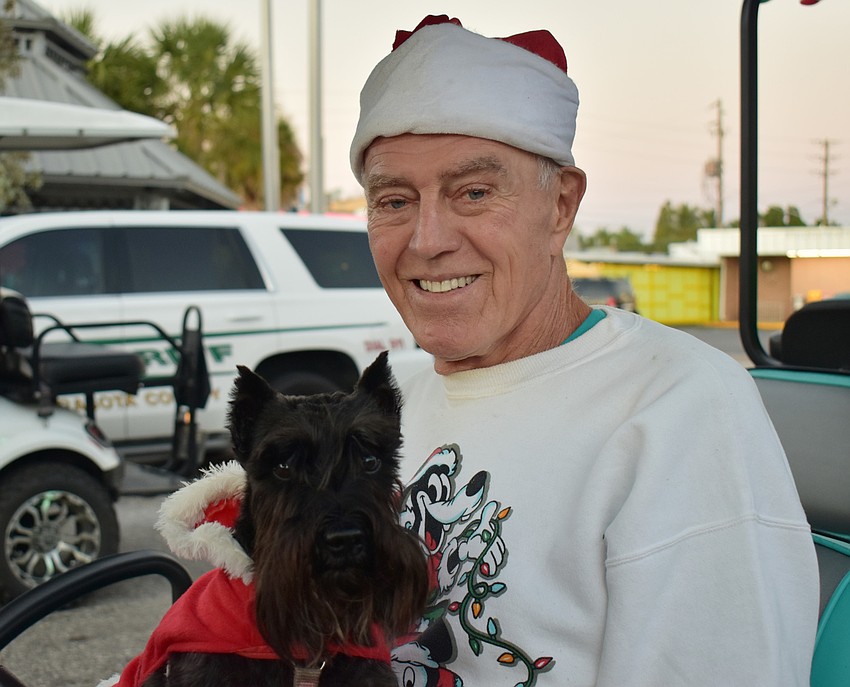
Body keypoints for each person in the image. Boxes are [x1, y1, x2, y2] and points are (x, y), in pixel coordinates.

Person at [349, 15, 819, 687]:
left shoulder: (677, 407)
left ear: (561, 204)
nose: (426, 240)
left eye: (474, 193)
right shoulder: (392, 400)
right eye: (394, 200)